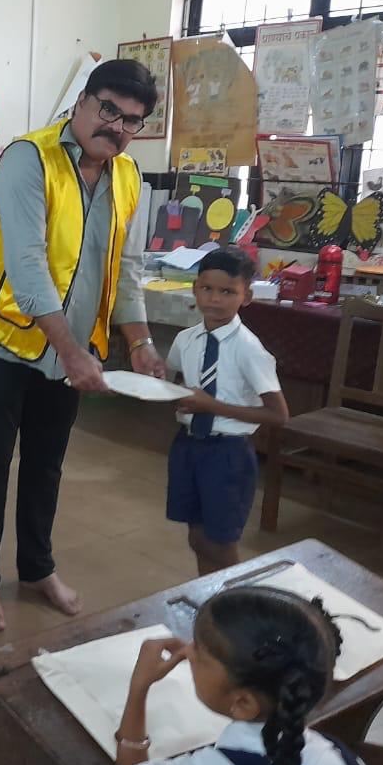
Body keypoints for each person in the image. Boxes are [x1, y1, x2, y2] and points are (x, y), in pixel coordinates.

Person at [0, 59, 164, 632]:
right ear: (82, 102)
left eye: (132, 121)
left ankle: (36, 568)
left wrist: (141, 340)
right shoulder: (28, 158)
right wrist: (71, 351)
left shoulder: (128, 177)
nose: (117, 128)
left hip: (72, 354)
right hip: (7, 342)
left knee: (47, 465)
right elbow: (26, 265)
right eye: (108, 111)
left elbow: (126, 266)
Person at [117, 586, 380, 765]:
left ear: (243, 703)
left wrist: (138, 688)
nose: (186, 652)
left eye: (200, 652)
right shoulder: (338, 756)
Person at [166, 246, 288, 576]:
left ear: (246, 296)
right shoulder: (185, 340)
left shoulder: (249, 349)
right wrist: (168, 391)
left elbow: (278, 415)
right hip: (189, 446)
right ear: (195, 288)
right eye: (207, 289)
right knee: (197, 538)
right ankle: (209, 598)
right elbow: (176, 377)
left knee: (221, 543)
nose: (215, 299)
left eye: (227, 292)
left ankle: (232, 606)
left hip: (228, 455)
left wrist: (212, 406)